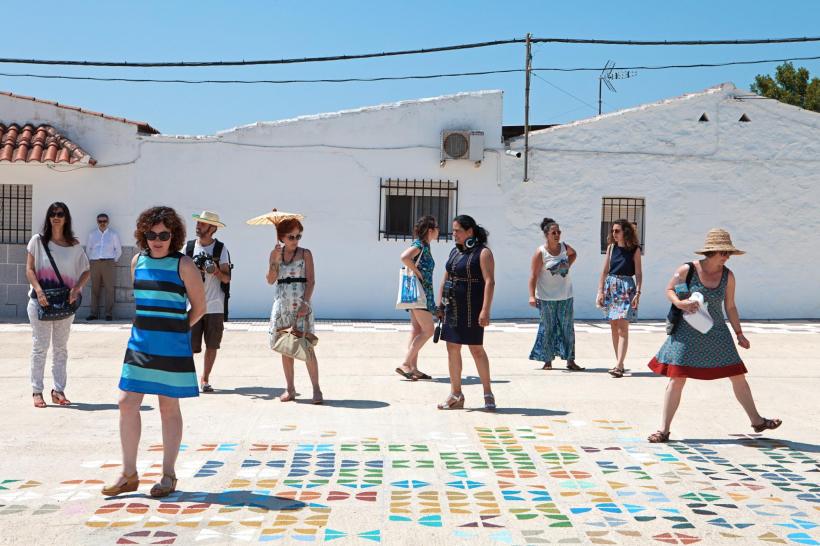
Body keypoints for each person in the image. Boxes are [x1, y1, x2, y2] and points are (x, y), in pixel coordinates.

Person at [102, 206, 205, 498]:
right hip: (140, 344)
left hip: (171, 348)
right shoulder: (137, 261)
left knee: (168, 407)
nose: (157, 240)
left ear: (174, 236)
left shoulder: (184, 265)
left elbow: (200, 307)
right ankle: (128, 474)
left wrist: (177, 329)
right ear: (143, 235)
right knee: (126, 402)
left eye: (164, 235)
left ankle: (168, 475)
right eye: (151, 234)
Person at [646, 229, 782, 443]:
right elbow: (670, 289)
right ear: (711, 252)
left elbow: (731, 306)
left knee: (737, 375)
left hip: (717, 331)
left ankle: (757, 421)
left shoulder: (728, 276)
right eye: (723, 253)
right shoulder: (687, 269)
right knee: (677, 379)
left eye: (729, 253)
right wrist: (679, 303)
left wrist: (739, 333)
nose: (727, 257)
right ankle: (663, 430)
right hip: (686, 333)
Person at [25, 202, 90, 408]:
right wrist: (38, 290)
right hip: (40, 303)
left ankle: (58, 390)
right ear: (48, 217)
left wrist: (77, 288)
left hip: (65, 304)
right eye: (52, 214)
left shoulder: (74, 245)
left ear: (66, 217)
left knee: (61, 349)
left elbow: (86, 270)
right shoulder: (38, 241)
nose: (56, 217)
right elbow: (29, 269)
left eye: (60, 214)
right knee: (40, 347)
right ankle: (37, 391)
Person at [437, 215, 496, 411]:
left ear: (470, 231)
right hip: (453, 306)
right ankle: (456, 394)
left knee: (476, 350)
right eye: (453, 230)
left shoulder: (483, 253)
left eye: (457, 231)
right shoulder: (455, 251)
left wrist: (485, 310)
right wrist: (440, 305)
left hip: (473, 307)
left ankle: (488, 393)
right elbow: (446, 277)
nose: (453, 234)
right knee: (452, 348)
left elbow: (490, 282)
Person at [266, 218, 322, 404]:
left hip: (301, 305)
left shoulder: (305, 253)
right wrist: (274, 260)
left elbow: (311, 280)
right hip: (282, 306)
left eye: (298, 236)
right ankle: (290, 389)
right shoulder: (275, 253)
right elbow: (270, 280)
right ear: (282, 237)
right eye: (291, 236)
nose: (295, 240)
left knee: (307, 347)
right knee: (286, 347)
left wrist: (305, 303)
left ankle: (316, 389)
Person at [185, 211, 231, 393]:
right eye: (198, 222)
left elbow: (227, 278)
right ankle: (187, 378)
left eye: (202, 224)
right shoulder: (188, 248)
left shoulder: (220, 249)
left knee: (212, 345)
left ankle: (205, 379)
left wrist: (215, 271)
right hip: (192, 306)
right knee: (188, 346)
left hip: (214, 306)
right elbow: (178, 273)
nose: (198, 226)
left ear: (213, 228)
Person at [528, 217, 582, 371]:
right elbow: (533, 276)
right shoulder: (541, 252)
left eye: (559, 232)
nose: (557, 235)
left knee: (567, 329)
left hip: (566, 296)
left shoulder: (564, 247)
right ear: (547, 235)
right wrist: (531, 296)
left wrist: (567, 265)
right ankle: (547, 360)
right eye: (554, 233)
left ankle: (570, 360)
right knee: (548, 328)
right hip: (546, 297)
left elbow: (574, 254)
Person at [596, 219, 643, 378]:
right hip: (611, 287)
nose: (614, 233)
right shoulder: (611, 248)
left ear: (625, 232)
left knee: (623, 327)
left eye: (617, 231)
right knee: (614, 327)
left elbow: (638, 273)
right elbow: (604, 271)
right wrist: (600, 291)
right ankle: (619, 363)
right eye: (613, 231)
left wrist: (638, 292)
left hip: (626, 288)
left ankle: (619, 365)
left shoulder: (635, 249)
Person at [395, 215, 440, 381]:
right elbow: (404, 257)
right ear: (430, 230)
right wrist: (417, 272)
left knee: (416, 331)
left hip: (419, 294)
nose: (439, 231)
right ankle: (406, 364)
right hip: (420, 295)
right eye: (437, 228)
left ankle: (413, 369)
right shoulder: (420, 245)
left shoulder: (425, 246)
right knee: (429, 330)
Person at [86, 212, 122, 321]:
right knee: (94, 288)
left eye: (104, 221)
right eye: (100, 221)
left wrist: (113, 261)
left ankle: (108, 313)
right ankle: (93, 313)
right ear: (97, 222)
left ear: (108, 222)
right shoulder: (92, 234)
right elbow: (88, 249)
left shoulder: (113, 234)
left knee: (109, 289)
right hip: (95, 263)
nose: (102, 223)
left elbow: (118, 250)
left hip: (108, 263)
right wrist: (92, 260)